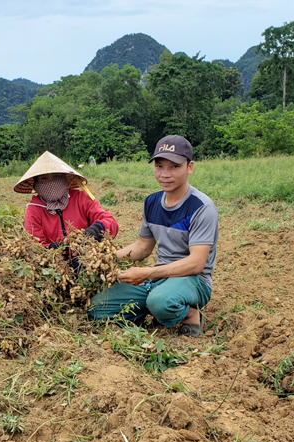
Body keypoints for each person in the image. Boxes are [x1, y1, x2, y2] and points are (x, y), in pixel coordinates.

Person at [88, 135, 218, 338]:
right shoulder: (152, 202)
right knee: (97, 308)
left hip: (193, 280)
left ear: (189, 167)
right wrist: (106, 258)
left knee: (161, 302)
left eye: (174, 166)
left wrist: (147, 273)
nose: (165, 174)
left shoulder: (201, 207)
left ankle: (191, 314)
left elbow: (196, 263)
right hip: (159, 277)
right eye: (159, 166)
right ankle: (151, 307)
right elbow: (143, 247)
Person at [14, 151, 118, 249]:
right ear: (36, 185)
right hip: (54, 265)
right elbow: (34, 246)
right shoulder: (34, 210)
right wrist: (51, 248)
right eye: (44, 179)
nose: (52, 183)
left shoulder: (81, 199)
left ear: (65, 179)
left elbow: (111, 222)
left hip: (87, 258)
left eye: (56, 177)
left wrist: (98, 228)